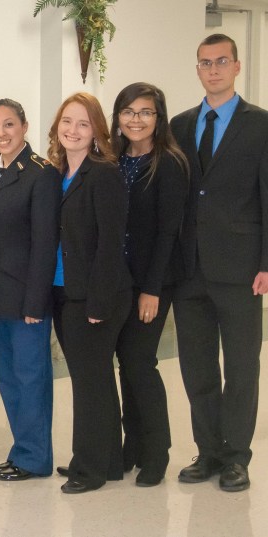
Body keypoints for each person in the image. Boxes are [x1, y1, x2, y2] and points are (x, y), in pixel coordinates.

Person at [170, 34, 268, 493]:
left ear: (236, 66)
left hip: (242, 269)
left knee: (243, 366)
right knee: (197, 367)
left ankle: (236, 457)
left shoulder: (261, 125)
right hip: (189, 271)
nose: (213, 69)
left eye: (221, 61)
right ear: (197, 68)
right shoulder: (180, 125)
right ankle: (208, 451)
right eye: (205, 62)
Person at [49, 92, 132, 494]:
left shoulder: (104, 173)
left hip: (96, 298)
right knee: (95, 379)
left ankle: (89, 468)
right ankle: (110, 461)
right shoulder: (60, 171)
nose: (73, 130)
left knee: (89, 383)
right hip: (65, 292)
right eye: (67, 121)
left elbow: (110, 245)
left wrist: (99, 302)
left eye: (83, 123)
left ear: (97, 130)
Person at [0, 99, 61, 481]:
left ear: (24, 126)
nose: (1, 133)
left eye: (8, 124)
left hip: (27, 295)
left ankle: (35, 458)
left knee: (32, 379)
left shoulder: (41, 174)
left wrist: (36, 300)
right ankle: (21, 449)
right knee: (9, 379)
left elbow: (46, 243)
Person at [111, 82, 189, 487]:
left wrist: (152, 289)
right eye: (128, 111)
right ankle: (133, 445)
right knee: (126, 365)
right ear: (118, 117)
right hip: (118, 283)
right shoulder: (114, 159)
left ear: (158, 118)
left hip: (151, 282)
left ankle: (157, 452)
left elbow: (166, 233)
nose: (135, 120)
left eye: (145, 112)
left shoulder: (168, 163)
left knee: (141, 363)